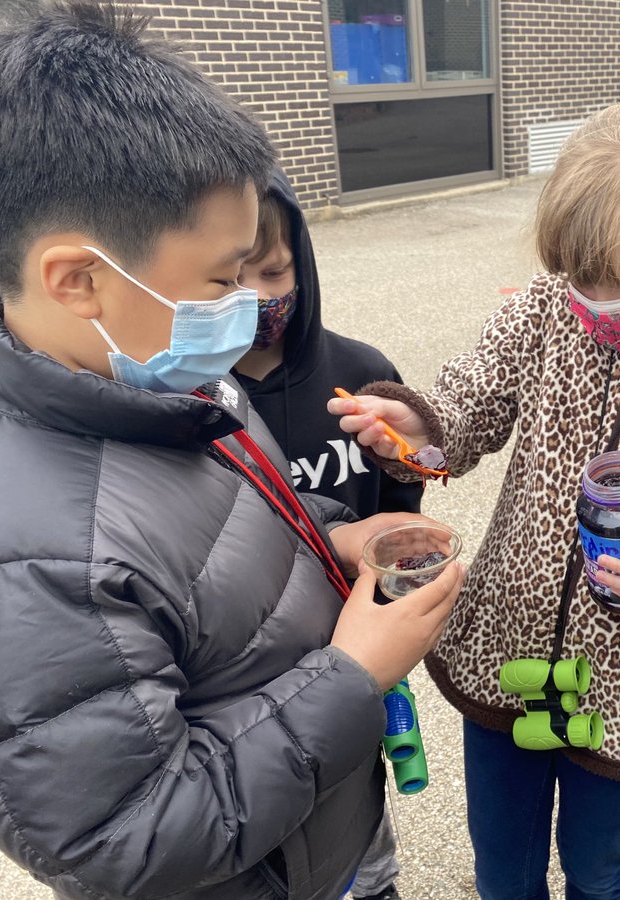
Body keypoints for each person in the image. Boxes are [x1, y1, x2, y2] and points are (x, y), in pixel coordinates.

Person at [0, 4, 460, 899]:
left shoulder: (167, 375)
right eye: (219, 280)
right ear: (78, 279)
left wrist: (338, 535)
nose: (243, 306)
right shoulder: (31, 556)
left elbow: (238, 513)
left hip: (323, 840)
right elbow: (127, 840)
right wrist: (353, 676)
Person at [331, 101, 620, 900]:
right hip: (502, 653)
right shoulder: (549, 311)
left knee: (597, 866)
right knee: (502, 861)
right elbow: (472, 397)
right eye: (578, 280)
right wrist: (418, 421)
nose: (596, 305)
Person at [233, 171, 420, 900]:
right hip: (250, 665)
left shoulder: (361, 373)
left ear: (302, 264)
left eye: (273, 270)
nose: (254, 294)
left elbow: (404, 491)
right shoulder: (191, 400)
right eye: (229, 276)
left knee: (356, 793)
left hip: (357, 648)